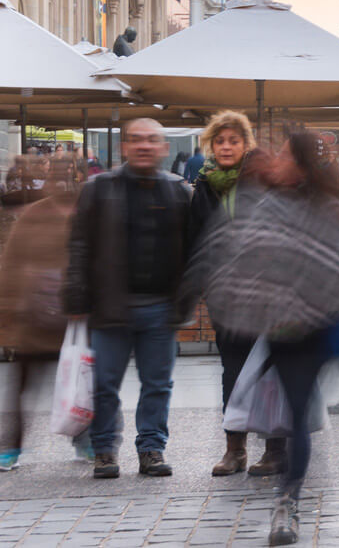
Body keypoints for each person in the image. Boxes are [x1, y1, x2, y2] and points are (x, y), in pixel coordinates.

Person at [185, 129, 339, 544]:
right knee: (294, 411)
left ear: (301, 164)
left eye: (284, 155)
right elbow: (230, 250)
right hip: (280, 325)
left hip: (314, 328)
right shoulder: (264, 201)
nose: (275, 161)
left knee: (297, 412)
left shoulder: (333, 209)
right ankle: (288, 496)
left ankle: (289, 501)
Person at [61, 118, 190, 480]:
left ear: (164, 147)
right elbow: (79, 245)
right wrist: (75, 296)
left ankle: (151, 448)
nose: (144, 146)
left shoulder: (180, 191)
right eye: (136, 140)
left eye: (151, 140)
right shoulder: (98, 188)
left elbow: (193, 251)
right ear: (125, 148)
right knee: (104, 384)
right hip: (110, 306)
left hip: (161, 308)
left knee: (158, 385)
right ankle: (104, 450)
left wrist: (186, 298)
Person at [186, 111, 292, 478]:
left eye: (233, 140)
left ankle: (275, 449)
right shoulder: (204, 185)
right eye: (219, 141)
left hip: (266, 293)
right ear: (210, 146)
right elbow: (196, 240)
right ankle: (235, 449)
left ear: (246, 145)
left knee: (268, 373)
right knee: (232, 371)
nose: (226, 146)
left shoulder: (265, 182)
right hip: (226, 295)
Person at [0, 157, 91, 470]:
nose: (63, 181)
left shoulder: (87, 212)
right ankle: (11, 446)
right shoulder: (34, 215)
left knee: (83, 382)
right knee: (22, 388)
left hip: (77, 317)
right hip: (34, 320)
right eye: (57, 175)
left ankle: (84, 439)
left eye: (69, 175)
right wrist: (9, 315)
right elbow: (11, 264)